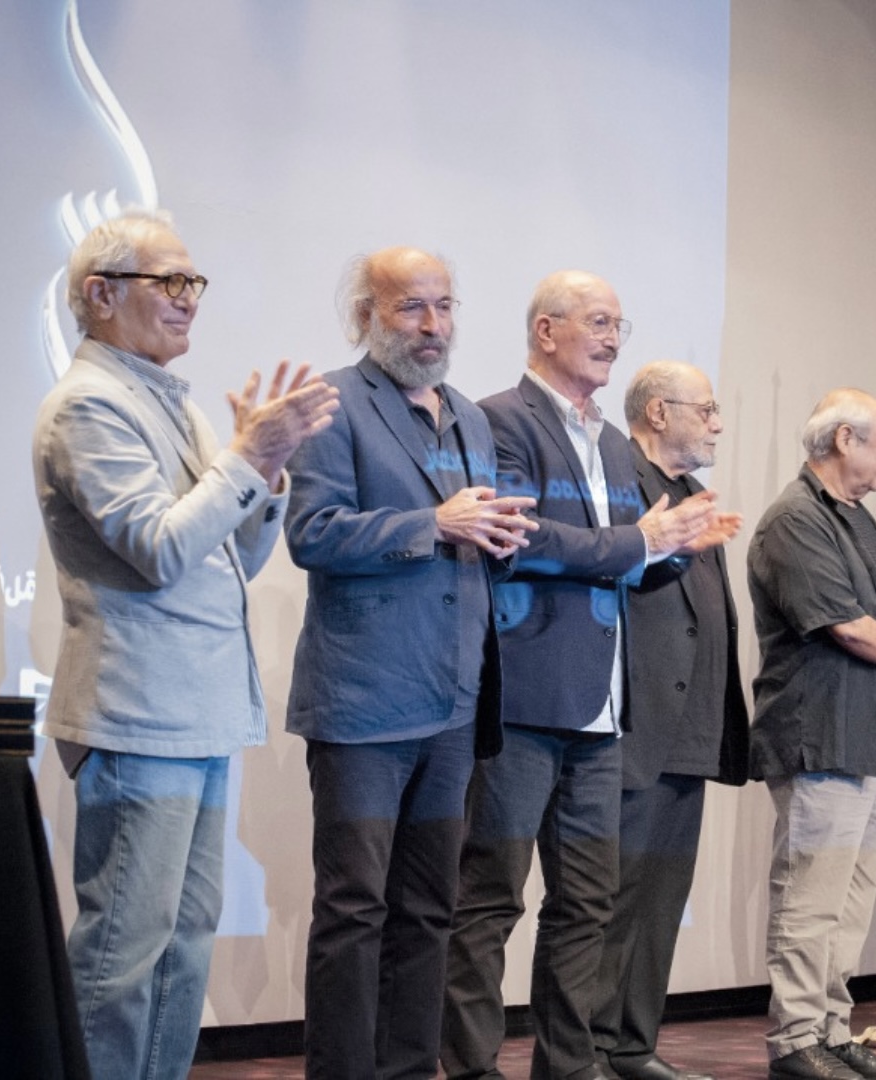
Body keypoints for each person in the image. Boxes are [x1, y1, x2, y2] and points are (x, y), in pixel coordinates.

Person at [33, 208, 338, 1080]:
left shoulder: (175, 407)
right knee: (122, 952)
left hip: (196, 711)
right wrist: (248, 456)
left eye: (192, 283)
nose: (187, 302)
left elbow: (233, 557)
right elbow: (160, 551)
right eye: (167, 283)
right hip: (137, 711)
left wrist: (265, 472)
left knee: (182, 947)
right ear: (100, 296)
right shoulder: (88, 406)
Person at [441, 271, 720, 1080]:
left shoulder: (609, 443)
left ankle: (570, 1067)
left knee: (588, 903)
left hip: (604, 711)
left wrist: (670, 549)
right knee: (490, 898)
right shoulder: (500, 421)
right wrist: (645, 541)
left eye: (618, 326)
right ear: (545, 332)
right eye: (598, 322)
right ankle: (471, 1068)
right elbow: (524, 539)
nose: (611, 338)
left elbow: (617, 561)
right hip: (526, 702)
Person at [283, 247, 538, 1080]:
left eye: (445, 306)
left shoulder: (467, 414)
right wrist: (434, 523)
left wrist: (497, 535)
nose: (434, 326)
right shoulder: (331, 405)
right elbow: (312, 534)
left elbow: (470, 531)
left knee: (430, 907)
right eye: (411, 308)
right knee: (355, 908)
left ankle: (406, 1070)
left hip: (455, 703)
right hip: (363, 704)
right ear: (366, 316)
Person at [746, 389, 876, 1080]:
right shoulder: (796, 521)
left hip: (867, 741)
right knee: (810, 898)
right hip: (820, 737)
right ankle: (795, 1042)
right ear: (844, 441)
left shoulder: (859, 522)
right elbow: (845, 624)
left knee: (848, 903)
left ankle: (830, 1029)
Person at [590, 362, 747, 1080]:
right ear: (659, 411)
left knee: (660, 902)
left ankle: (632, 1044)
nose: (717, 422)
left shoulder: (689, 493)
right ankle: (587, 1048)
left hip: (692, 730)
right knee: (612, 901)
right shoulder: (618, 477)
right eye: (706, 409)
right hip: (637, 723)